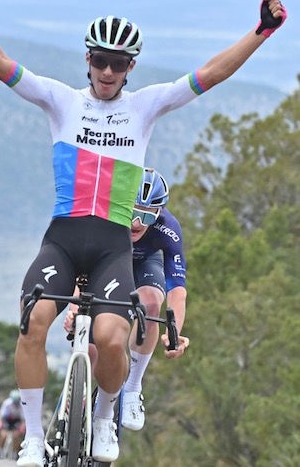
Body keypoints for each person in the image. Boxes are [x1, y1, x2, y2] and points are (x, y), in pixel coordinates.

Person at [0, 0, 287, 465]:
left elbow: (209, 74)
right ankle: (35, 439)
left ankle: (105, 419)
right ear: (87, 59)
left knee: (110, 337)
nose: (107, 70)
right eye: (100, 60)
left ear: (130, 67)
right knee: (33, 321)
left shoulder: (143, 109)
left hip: (111, 245)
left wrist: (262, 30)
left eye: (117, 63)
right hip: (62, 237)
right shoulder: (62, 102)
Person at [64, 168, 189, 431]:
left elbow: (177, 289)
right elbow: (81, 263)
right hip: (104, 262)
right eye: (133, 211)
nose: (138, 223)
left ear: (159, 214)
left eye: (148, 216)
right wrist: (75, 303)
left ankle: (132, 388)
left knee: (151, 305)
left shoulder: (168, 229)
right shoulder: (103, 217)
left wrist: (175, 331)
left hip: (145, 264)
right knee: (92, 346)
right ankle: (74, 405)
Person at [0, 389, 26, 459]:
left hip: (16, 420)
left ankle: (14, 453)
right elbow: (0, 416)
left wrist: (22, 427)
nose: (15, 404)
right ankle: (0, 451)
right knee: (3, 436)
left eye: (17, 402)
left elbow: (23, 420)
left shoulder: (22, 405)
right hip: (7, 419)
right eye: (14, 402)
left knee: (16, 436)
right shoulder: (7, 403)